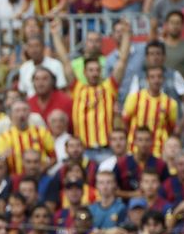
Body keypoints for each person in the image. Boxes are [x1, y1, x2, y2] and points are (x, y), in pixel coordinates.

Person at [51, 17, 131, 162]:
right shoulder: (77, 88)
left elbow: (122, 61)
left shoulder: (109, 87)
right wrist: (56, 35)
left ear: (101, 72)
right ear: (85, 73)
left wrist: (126, 35)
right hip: (83, 151)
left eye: (97, 70)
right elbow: (65, 60)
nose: (94, 73)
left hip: (107, 149)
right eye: (90, 70)